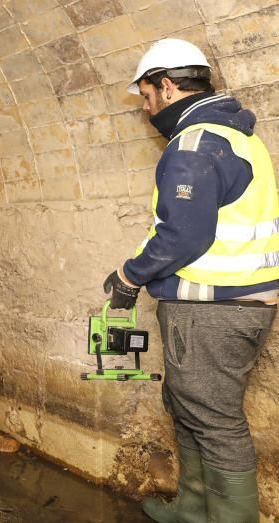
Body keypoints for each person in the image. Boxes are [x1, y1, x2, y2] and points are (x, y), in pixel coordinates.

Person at [103, 38, 279, 523]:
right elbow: (184, 224)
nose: (145, 108)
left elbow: (182, 235)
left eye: (146, 95)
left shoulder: (196, 144)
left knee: (215, 422)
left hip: (211, 309)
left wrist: (128, 275)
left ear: (167, 84)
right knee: (187, 408)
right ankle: (194, 509)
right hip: (233, 304)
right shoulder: (239, 138)